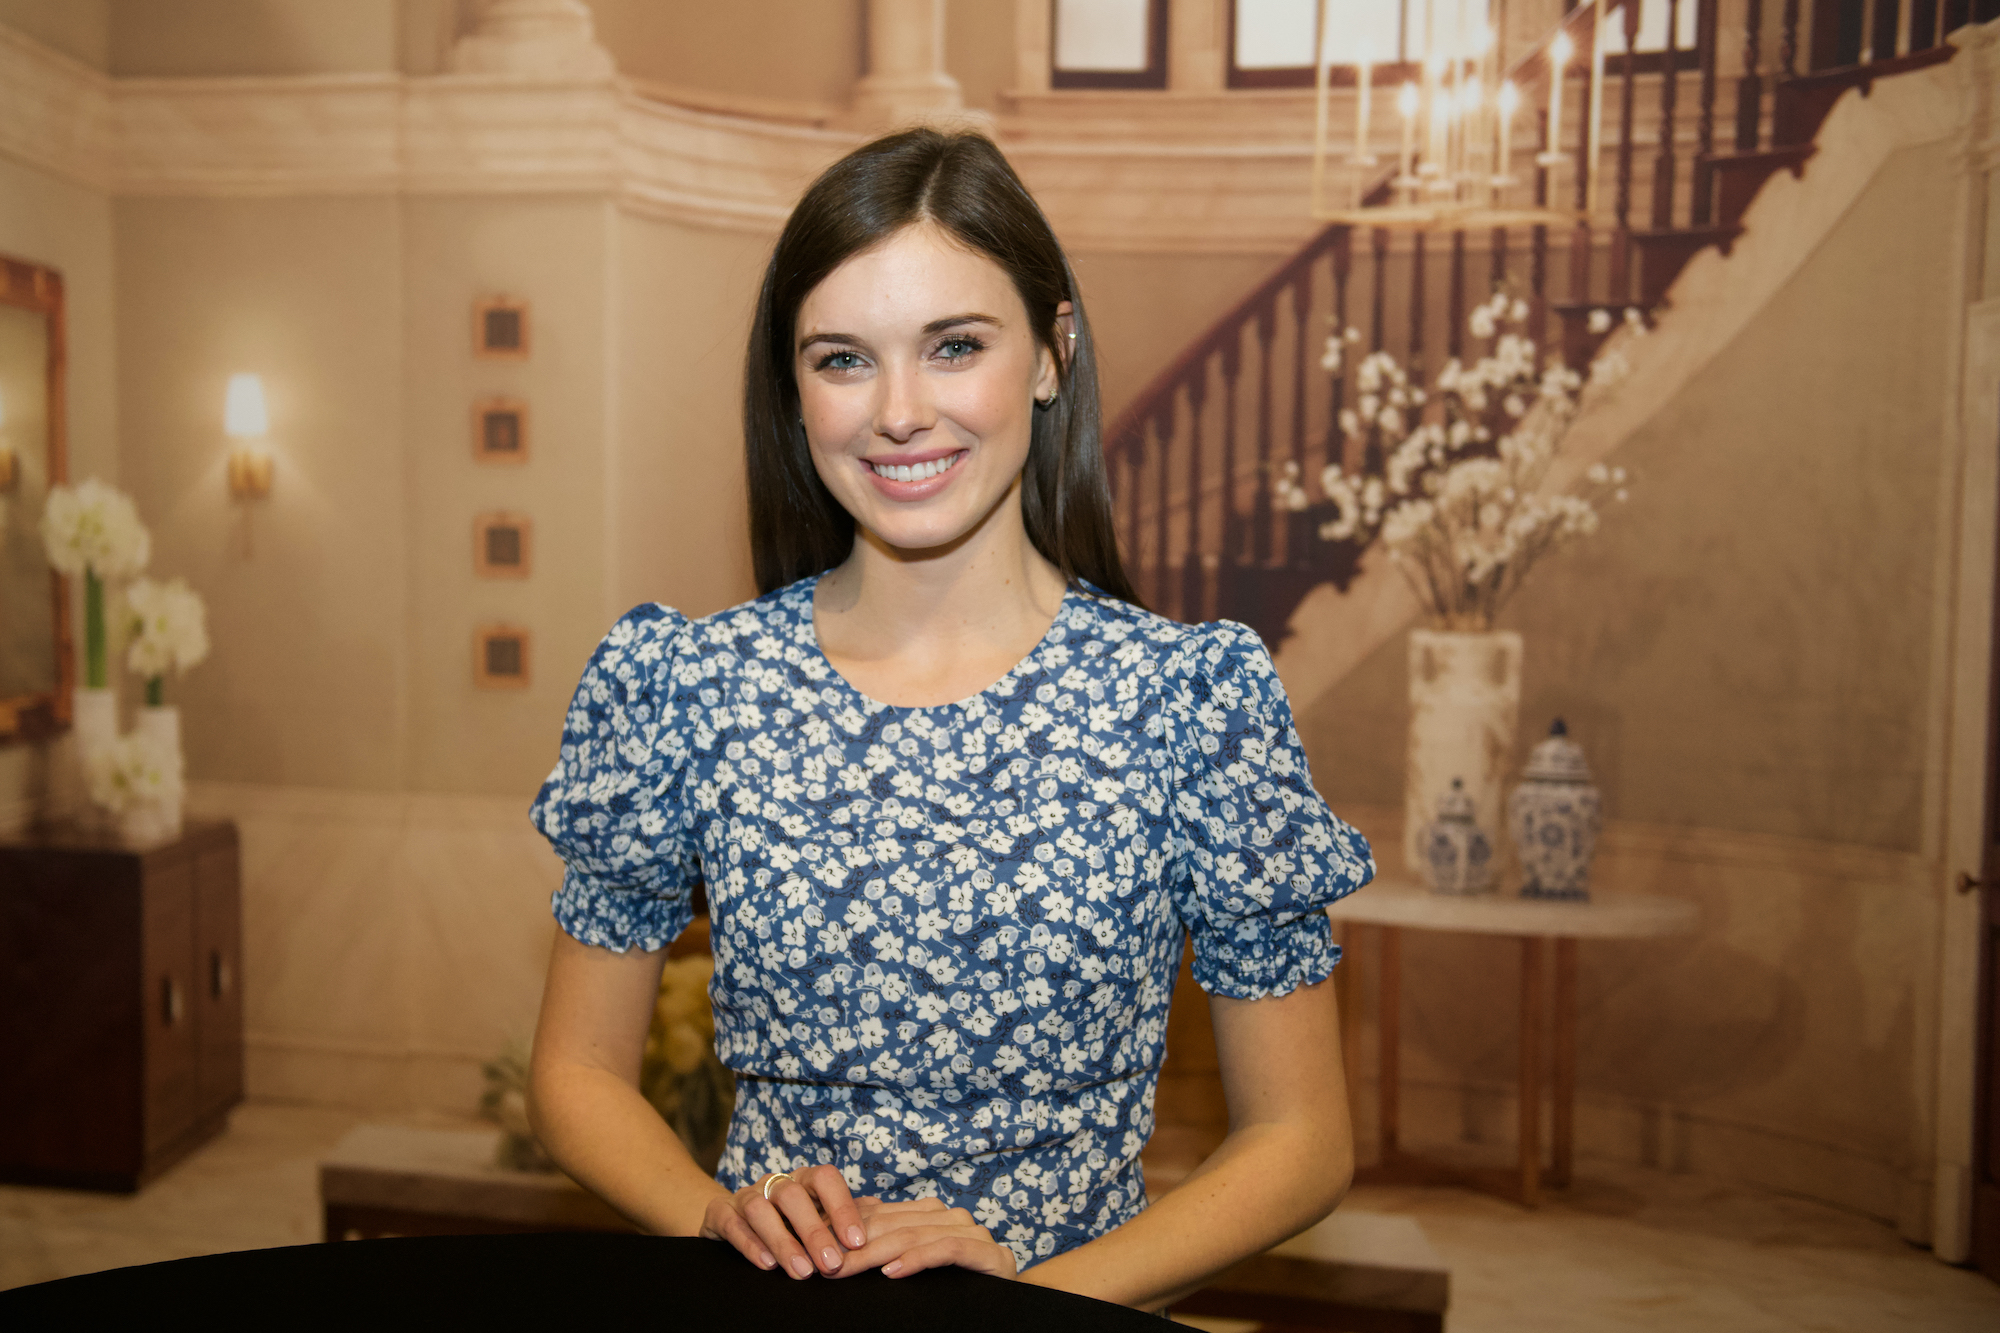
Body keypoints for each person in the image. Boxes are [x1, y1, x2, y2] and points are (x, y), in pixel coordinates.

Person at [527, 128, 1375, 1314]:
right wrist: (715, 1218)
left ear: (1050, 353)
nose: (899, 412)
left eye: (954, 346)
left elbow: (1300, 1139)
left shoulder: (1189, 703)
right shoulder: (687, 687)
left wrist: (1035, 1296)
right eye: (841, 360)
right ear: (792, 385)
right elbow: (573, 1072)